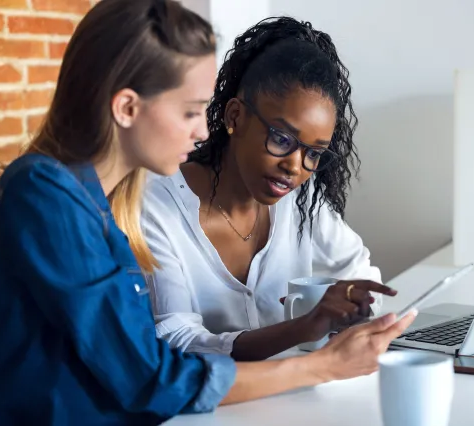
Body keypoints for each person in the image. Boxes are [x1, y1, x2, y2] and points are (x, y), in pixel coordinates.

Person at [0, 0, 415, 424]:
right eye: (190, 111)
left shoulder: (97, 199)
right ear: (127, 108)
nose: (202, 130)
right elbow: (151, 378)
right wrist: (321, 366)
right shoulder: (45, 196)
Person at [141, 17, 392, 361]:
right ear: (234, 117)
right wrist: (304, 326)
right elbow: (176, 340)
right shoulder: (155, 207)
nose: (295, 166)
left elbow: (358, 270)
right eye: (281, 139)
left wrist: (351, 308)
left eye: (314, 153)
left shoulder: (301, 197)